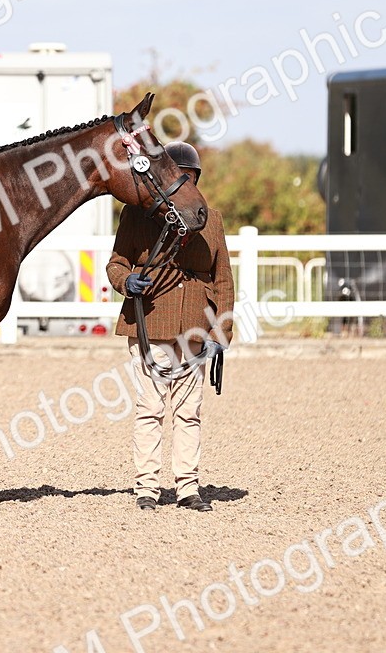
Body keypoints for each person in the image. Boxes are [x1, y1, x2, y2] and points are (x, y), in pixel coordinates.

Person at [106, 142, 234, 512]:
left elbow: (223, 280)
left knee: (188, 409)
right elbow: (117, 262)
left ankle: (187, 487)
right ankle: (146, 487)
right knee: (149, 406)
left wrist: (220, 333)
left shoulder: (212, 219)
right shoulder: (136, 216)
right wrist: (125, 280)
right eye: (178, 177)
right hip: (150, 318)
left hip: (195, 323)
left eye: (189, 177)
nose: (183, 183)